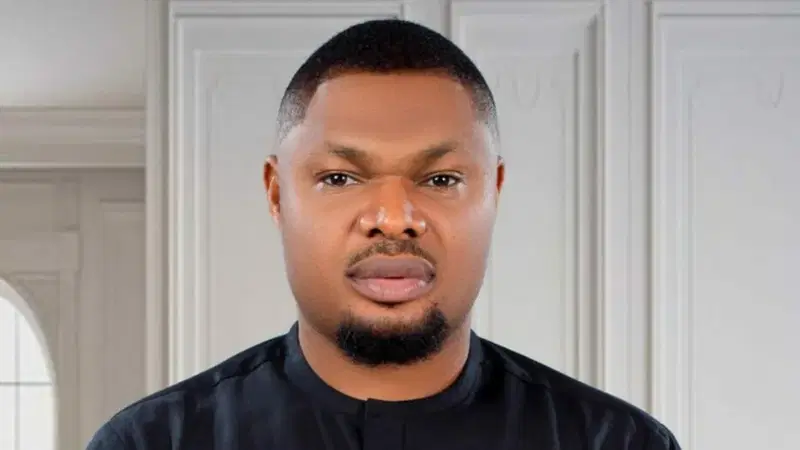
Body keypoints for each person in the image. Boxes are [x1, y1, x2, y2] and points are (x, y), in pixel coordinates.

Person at [86, 19, 680, 450]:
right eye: (340, 178)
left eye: (441, 179)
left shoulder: (618, 443)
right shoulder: (151, 443)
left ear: (494, 190)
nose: (393, 217)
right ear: (277, 194)